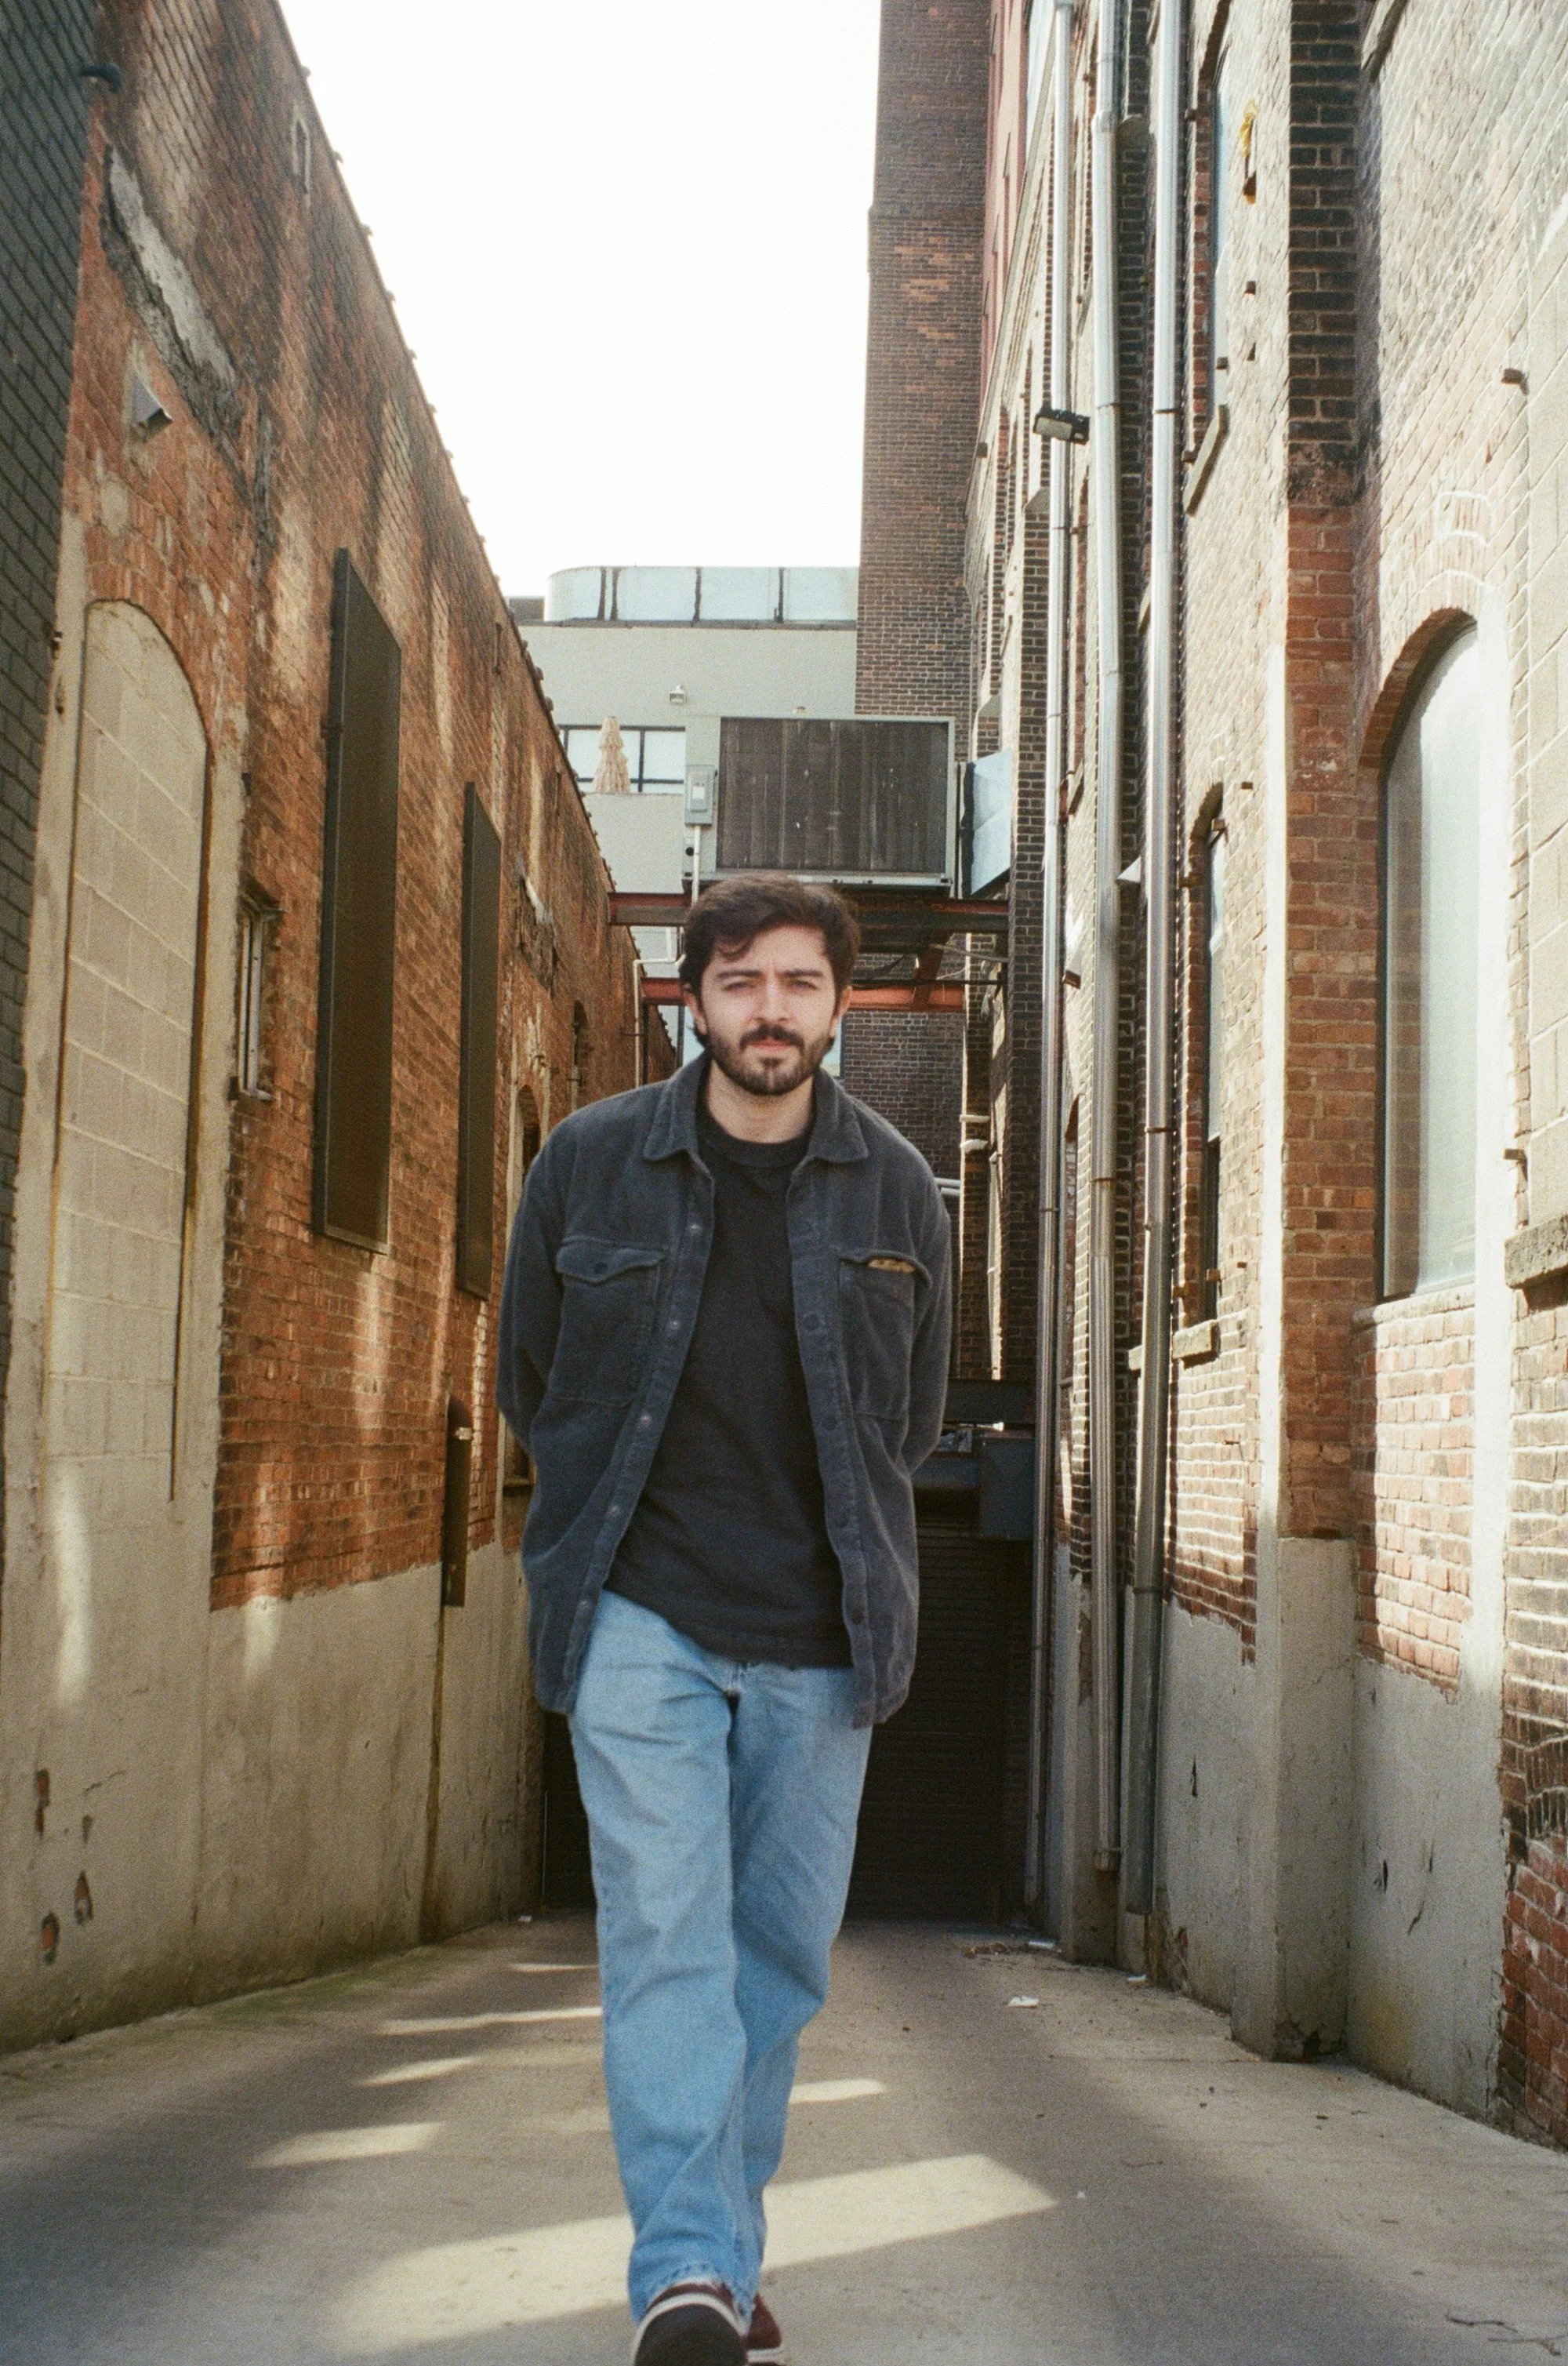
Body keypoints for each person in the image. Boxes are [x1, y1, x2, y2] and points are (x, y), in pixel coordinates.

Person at [498, 874, 952, 2366]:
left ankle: (720, 2247)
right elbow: (532, 1382)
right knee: (667, 1943)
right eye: (741, 980)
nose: (771, 1011)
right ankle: (687, 2274)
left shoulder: (899, 1190)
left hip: (825, 1638)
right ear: (693, 996)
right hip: (642, 1614)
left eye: (800, 983)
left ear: (840, 1004)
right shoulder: (589, 1164)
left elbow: (912, 1420)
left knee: (776, 1965)